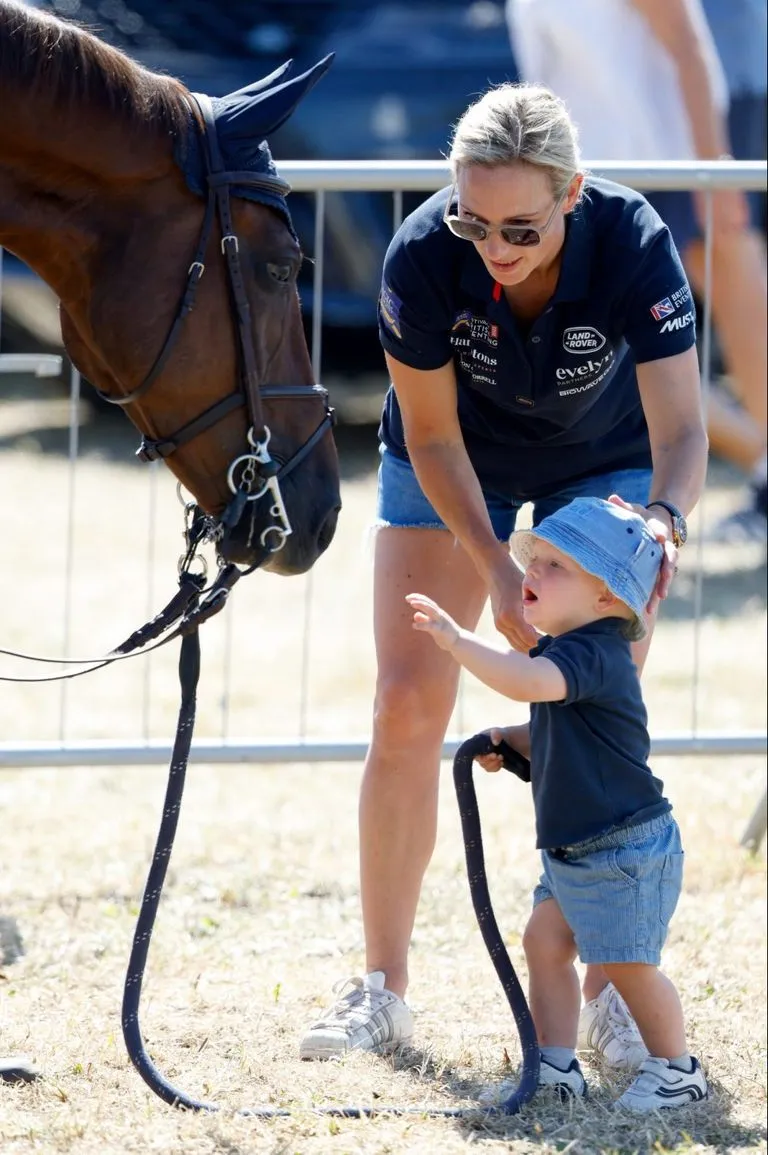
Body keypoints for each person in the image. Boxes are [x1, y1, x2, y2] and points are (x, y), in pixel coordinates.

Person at [299, 81, 708, 1066]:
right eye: (474, 221)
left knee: (588, 728)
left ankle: (610, 988)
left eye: (521, 226)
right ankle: (383, 988)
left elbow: (685, 431)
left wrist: (657, 526)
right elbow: (432, 437)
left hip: (596, 461)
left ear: (573, 194)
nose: (495, 248)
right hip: (454, 461)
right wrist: (491, 566)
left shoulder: (633, 241)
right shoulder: (422, 258)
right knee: (404, 704)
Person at [405, 497, 709, 1110]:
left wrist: (457, 640)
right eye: (535, 560)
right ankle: (555, 1063)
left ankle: (678, 1070)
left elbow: (527, 684)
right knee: (545, 944)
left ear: (607, 600)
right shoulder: (563, 654)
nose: (532, 575)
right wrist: (511, 744)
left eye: (555, 567)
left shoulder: (593, 655)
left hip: (623, 847)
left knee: (627, 964)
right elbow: (557, 729)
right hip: (578, 848)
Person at [506, 0, 767, 538]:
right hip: (597, 184)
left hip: (677, 170)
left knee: (752, 340)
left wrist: (714, 175)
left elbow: (690, 48)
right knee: (628, 357)